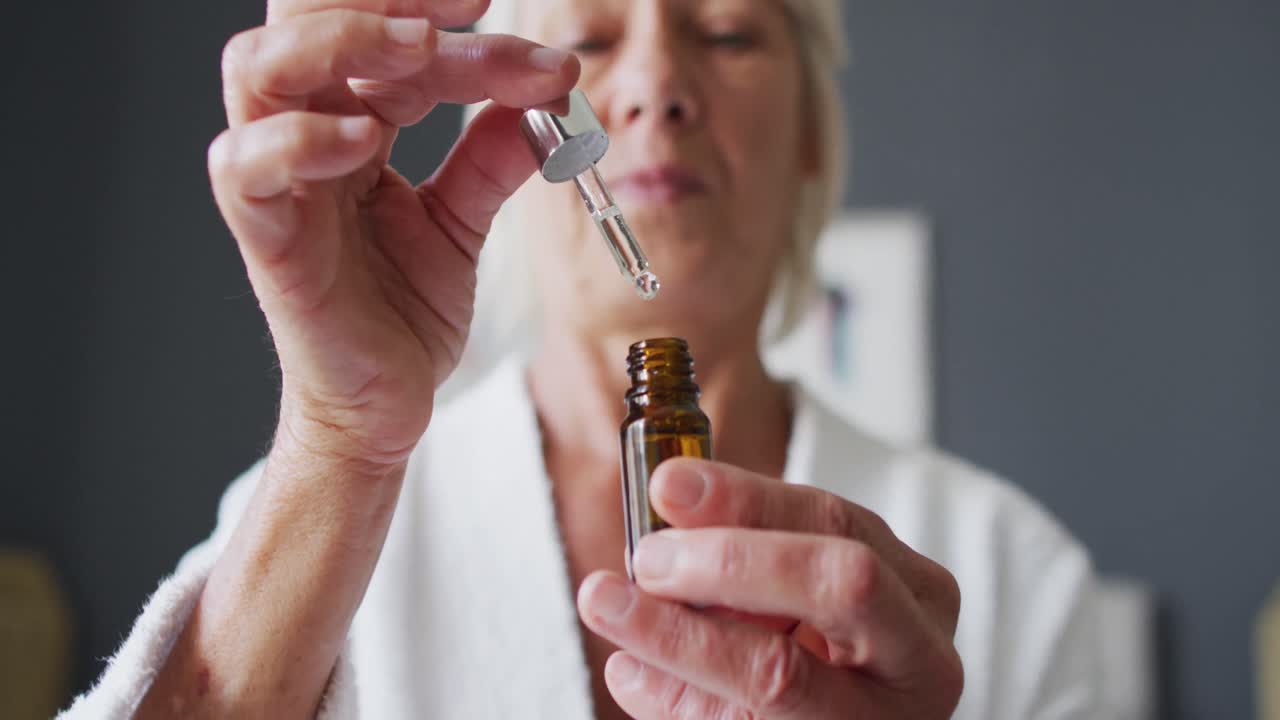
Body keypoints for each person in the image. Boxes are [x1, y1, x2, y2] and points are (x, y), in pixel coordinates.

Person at [62, 0, 1103, 718]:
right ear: (495, 126)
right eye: (592, 40)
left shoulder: (1011, 570)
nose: (653, 84)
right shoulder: (319, 518)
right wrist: (339, 438)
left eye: (728, 32)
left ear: (811, 141)